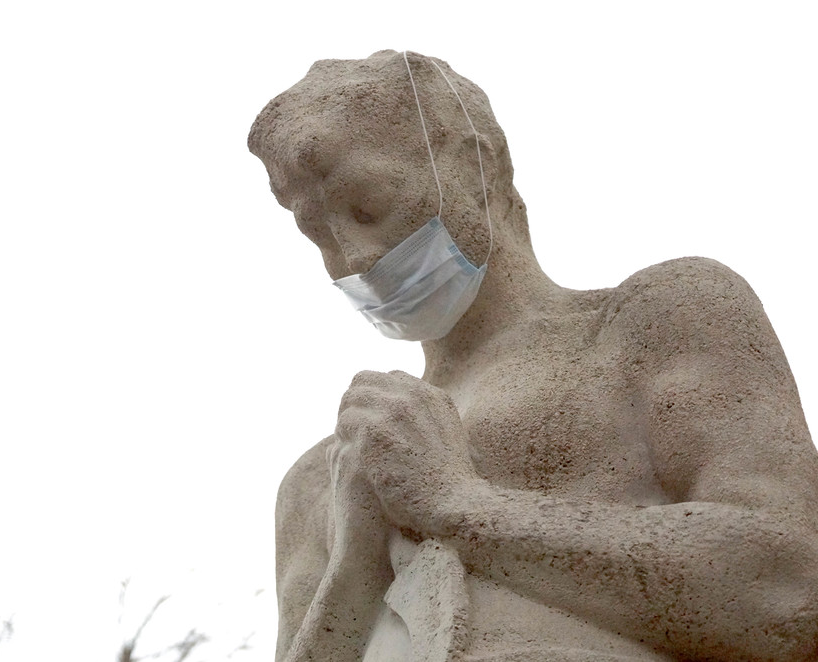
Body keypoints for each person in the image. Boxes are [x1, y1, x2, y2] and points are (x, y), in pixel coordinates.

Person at [248, 50, 818, 661]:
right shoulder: (322, 478)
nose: (353, 257)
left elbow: (787, 588)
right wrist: (354, 568)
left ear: (476, 166)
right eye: (319, 233)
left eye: (368, 208)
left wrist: (458, 505)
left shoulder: (658, 321)